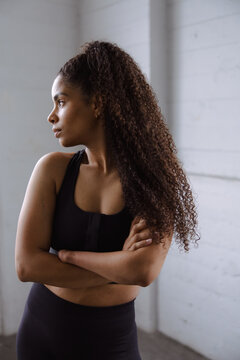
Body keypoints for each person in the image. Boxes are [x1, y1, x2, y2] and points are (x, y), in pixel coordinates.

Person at [15, 40, 200, 359]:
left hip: (110, 340)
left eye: (61, 101)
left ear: (98, 102)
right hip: (43, 328)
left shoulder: (154, 181)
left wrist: (70, 258)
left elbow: (142, 271)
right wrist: (118, 265)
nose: (51, 116)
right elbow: (27, 265)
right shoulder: (53, 170)